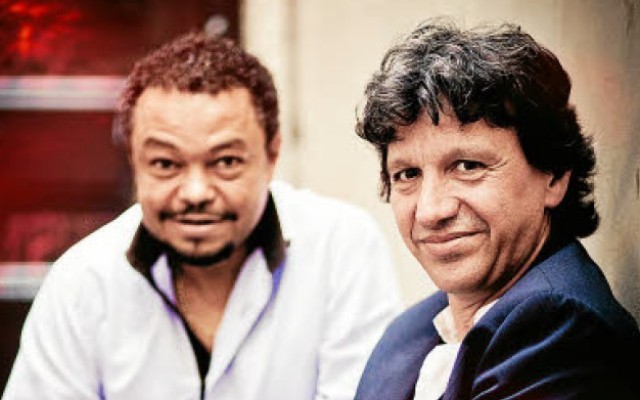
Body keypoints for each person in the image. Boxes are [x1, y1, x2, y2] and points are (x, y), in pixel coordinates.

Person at [2, 31, 402, 400]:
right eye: (165, 163)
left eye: (226, 161)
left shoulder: (341, 249)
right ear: (134, 161)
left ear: (271, 154)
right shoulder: (81, 284)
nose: (195, 193)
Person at [353, 20, 640, 399]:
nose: (430, 211)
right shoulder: (414, 329)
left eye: (468, 166)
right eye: (408, 174)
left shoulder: (561, 328)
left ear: (554, 175)